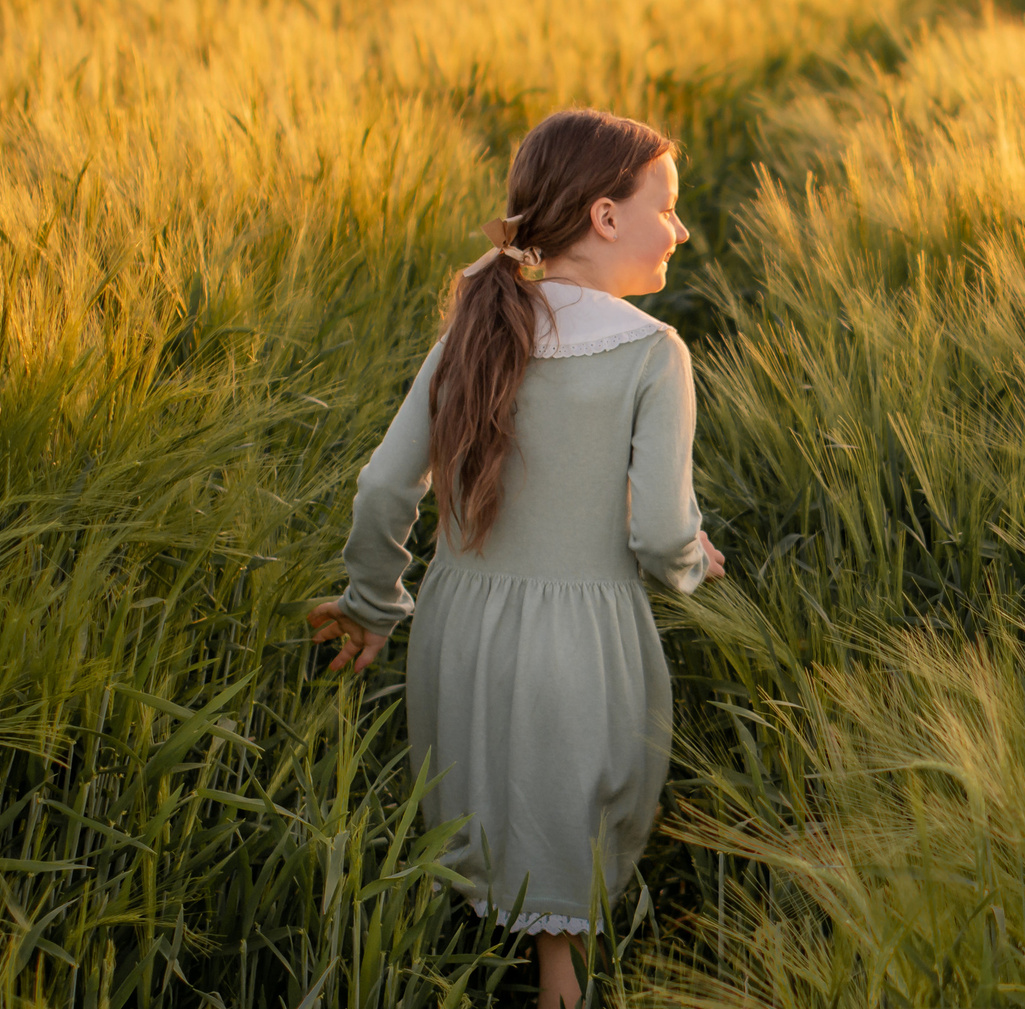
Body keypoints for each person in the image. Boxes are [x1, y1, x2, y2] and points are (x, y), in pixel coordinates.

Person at [307, 107, 727, 1007]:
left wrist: (374, 605)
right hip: (582, 638)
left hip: (459, 632)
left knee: (480, 803)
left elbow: (385, 488)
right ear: (606, 217)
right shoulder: (655, 354)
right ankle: (555, 975)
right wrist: (694, 559)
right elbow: (660, 534)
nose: (681, 229)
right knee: (565, 842)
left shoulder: (474, 326)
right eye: (668, 207)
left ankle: (421, 963)